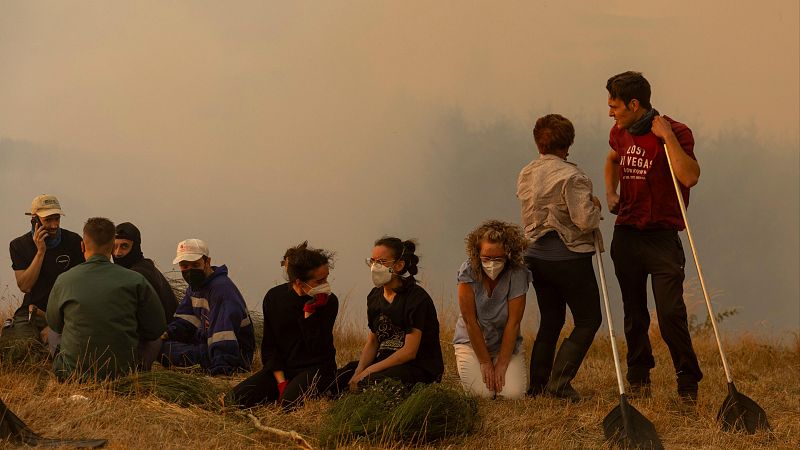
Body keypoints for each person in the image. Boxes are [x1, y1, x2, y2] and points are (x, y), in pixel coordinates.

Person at [604, 71, 703, 402]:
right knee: (634, 312)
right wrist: (611, 192)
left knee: (670, 312)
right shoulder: (619, 132)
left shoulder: (676, 131)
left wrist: (667, 138)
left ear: (634, 104)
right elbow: (612, 159)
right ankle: (638, 375)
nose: (610, 112)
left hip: (662, 235)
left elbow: (689, 176)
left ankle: (687, 380)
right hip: (627, 233)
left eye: (615, 106)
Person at [517, 113, 603, 401]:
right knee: (588, 320)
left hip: (536, 257)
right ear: (568, 144)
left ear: (538, 143)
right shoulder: (573, 177)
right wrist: (595, 206)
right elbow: (585, 221)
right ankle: (560, 382)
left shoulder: (526, 173)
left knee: (551, 320)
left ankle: (537, 386)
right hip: (570, 258)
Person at [45, 217, 167, 381]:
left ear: (82, 246)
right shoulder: (136, 280)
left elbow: (55, 324)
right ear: (111, 248)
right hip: (123, 375)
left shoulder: (64, 280)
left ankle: (65, 365)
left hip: (73, 375)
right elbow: (157, 328)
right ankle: (139, 370)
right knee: (155, 339)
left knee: (53, 331)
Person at [226, 242, 338, 410]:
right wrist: (281, 382)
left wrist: (309, 313)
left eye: (326, 278)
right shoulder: (274, 298)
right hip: (283, 369)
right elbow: (270, 346)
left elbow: (319, 349)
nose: (325, 284)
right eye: (320, 281)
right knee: (234, 400)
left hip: (317, 368)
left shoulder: (329, 301)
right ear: (299, 282)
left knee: (288, 403)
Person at [337, 237, 443, 391]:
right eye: (372, 261)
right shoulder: (374, 296)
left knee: (369, 383)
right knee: (338, 378)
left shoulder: (416, 298)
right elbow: (373, 341)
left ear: (399, 265)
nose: (375, 267)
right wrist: (359, 371)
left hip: (415, 367)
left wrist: (368, 371)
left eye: (381, 262)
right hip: (385, 362)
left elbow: (409, 352)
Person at [453, 220, 531, 399]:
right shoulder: (468, 271)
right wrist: (485, 363)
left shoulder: (517, 273)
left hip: (505, 342)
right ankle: (470, 368)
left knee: (512, 395)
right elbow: (470, 321)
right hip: (472, 342)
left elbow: (514, 322)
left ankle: (502, 367)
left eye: (498, 258)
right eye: (486, 258)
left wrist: (502, 364)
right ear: (477, 254)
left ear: (508, 255)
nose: (492, 264)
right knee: (482, 395)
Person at [159, 238, 255, 375]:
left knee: (167, 352)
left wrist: (221, 371)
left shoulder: (221, 290)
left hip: (234, 355)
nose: (190, 271)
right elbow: (186, 322)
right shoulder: (195, 288)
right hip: (207, 347)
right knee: (162, 348)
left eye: (195, 265)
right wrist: (165, 335)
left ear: (207, 262)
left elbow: (223, 336)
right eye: (185, 266)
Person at [6, 195, 84, 342]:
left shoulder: (73, 241)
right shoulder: (18, 245)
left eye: (57, 219)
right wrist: (41, 252)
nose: (54, 225)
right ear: (34, 220)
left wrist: (58, 324)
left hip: (66, 312)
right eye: (48, 220)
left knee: (65, 343)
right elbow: (25, 286)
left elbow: (81, 285)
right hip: (32, 310)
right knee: (21, 344)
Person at [113, 222, 178, 323]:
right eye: (114, 247)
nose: (117, 253)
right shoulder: (146, 268)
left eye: (124, 246)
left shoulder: (138, 275)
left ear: (135, 247)